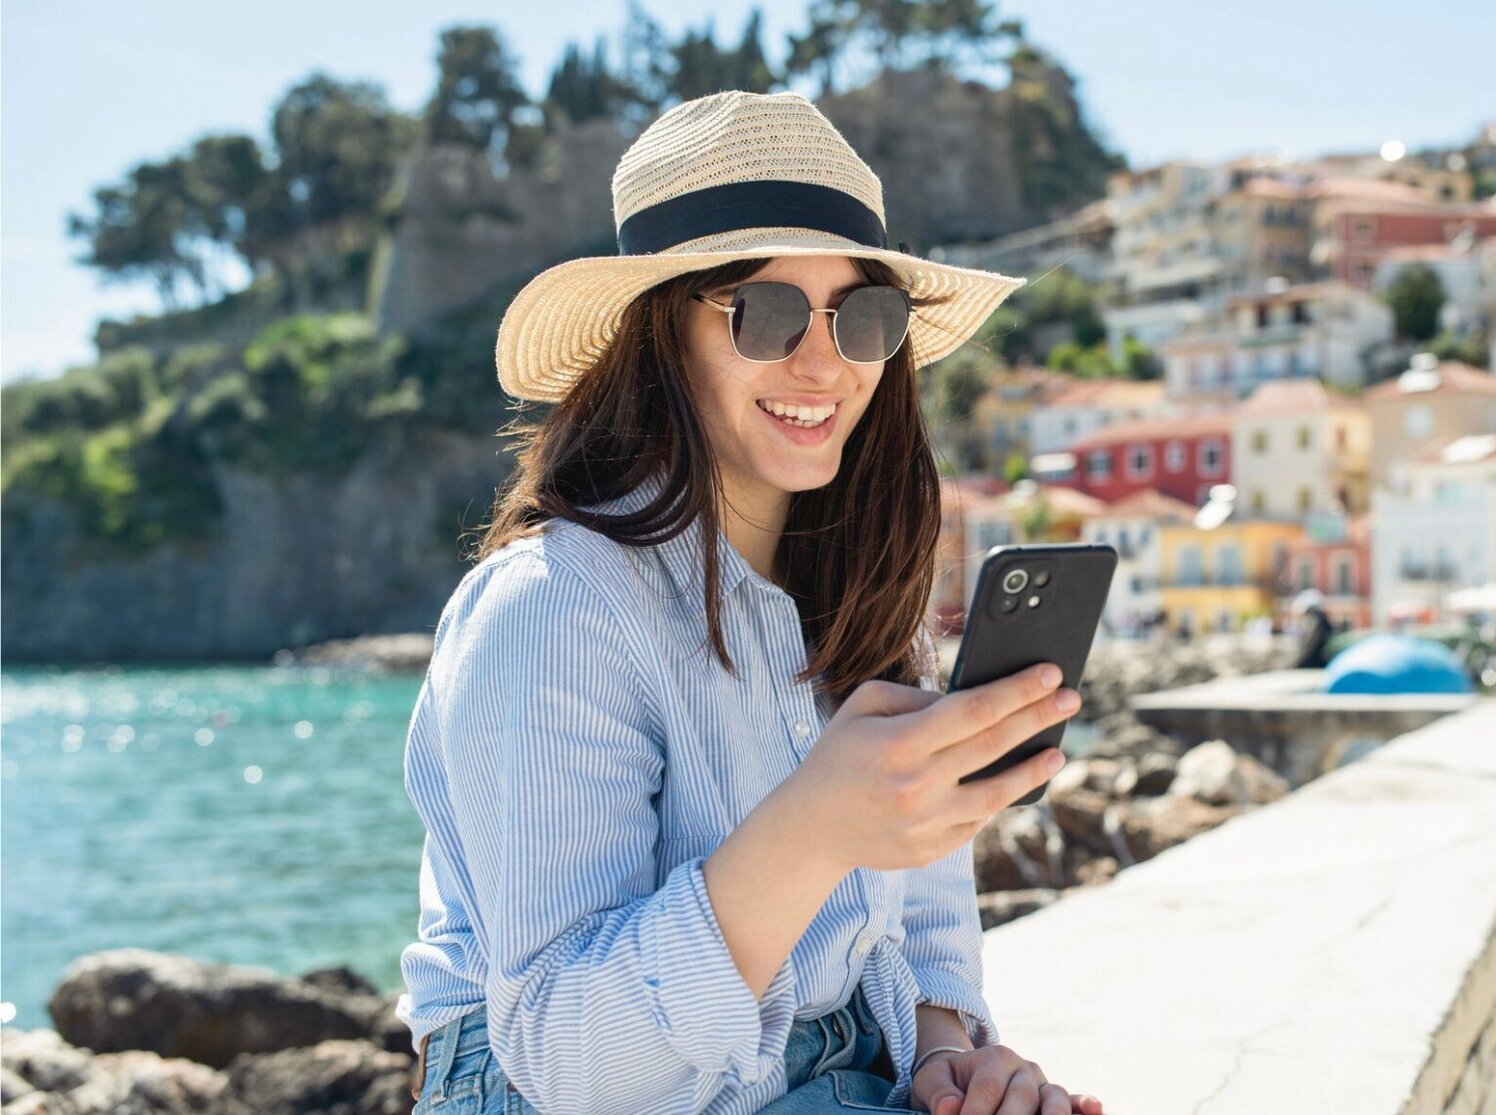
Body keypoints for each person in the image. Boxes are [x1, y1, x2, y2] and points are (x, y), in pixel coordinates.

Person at [395, 91, 1104, 1115]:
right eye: (764, 312)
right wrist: (813, 827)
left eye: (863, 316)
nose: (821, 362)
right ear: (659, 334)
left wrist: (946, 1049)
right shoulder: (550, 609)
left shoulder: (864, 591)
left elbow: (920, 900)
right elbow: (573, 1065)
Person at [1291, 590, 1336, 669]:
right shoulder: (1320, 619)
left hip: (1312, 664)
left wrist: (1297, 663)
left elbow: (1308, 645)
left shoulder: (1312, 619)